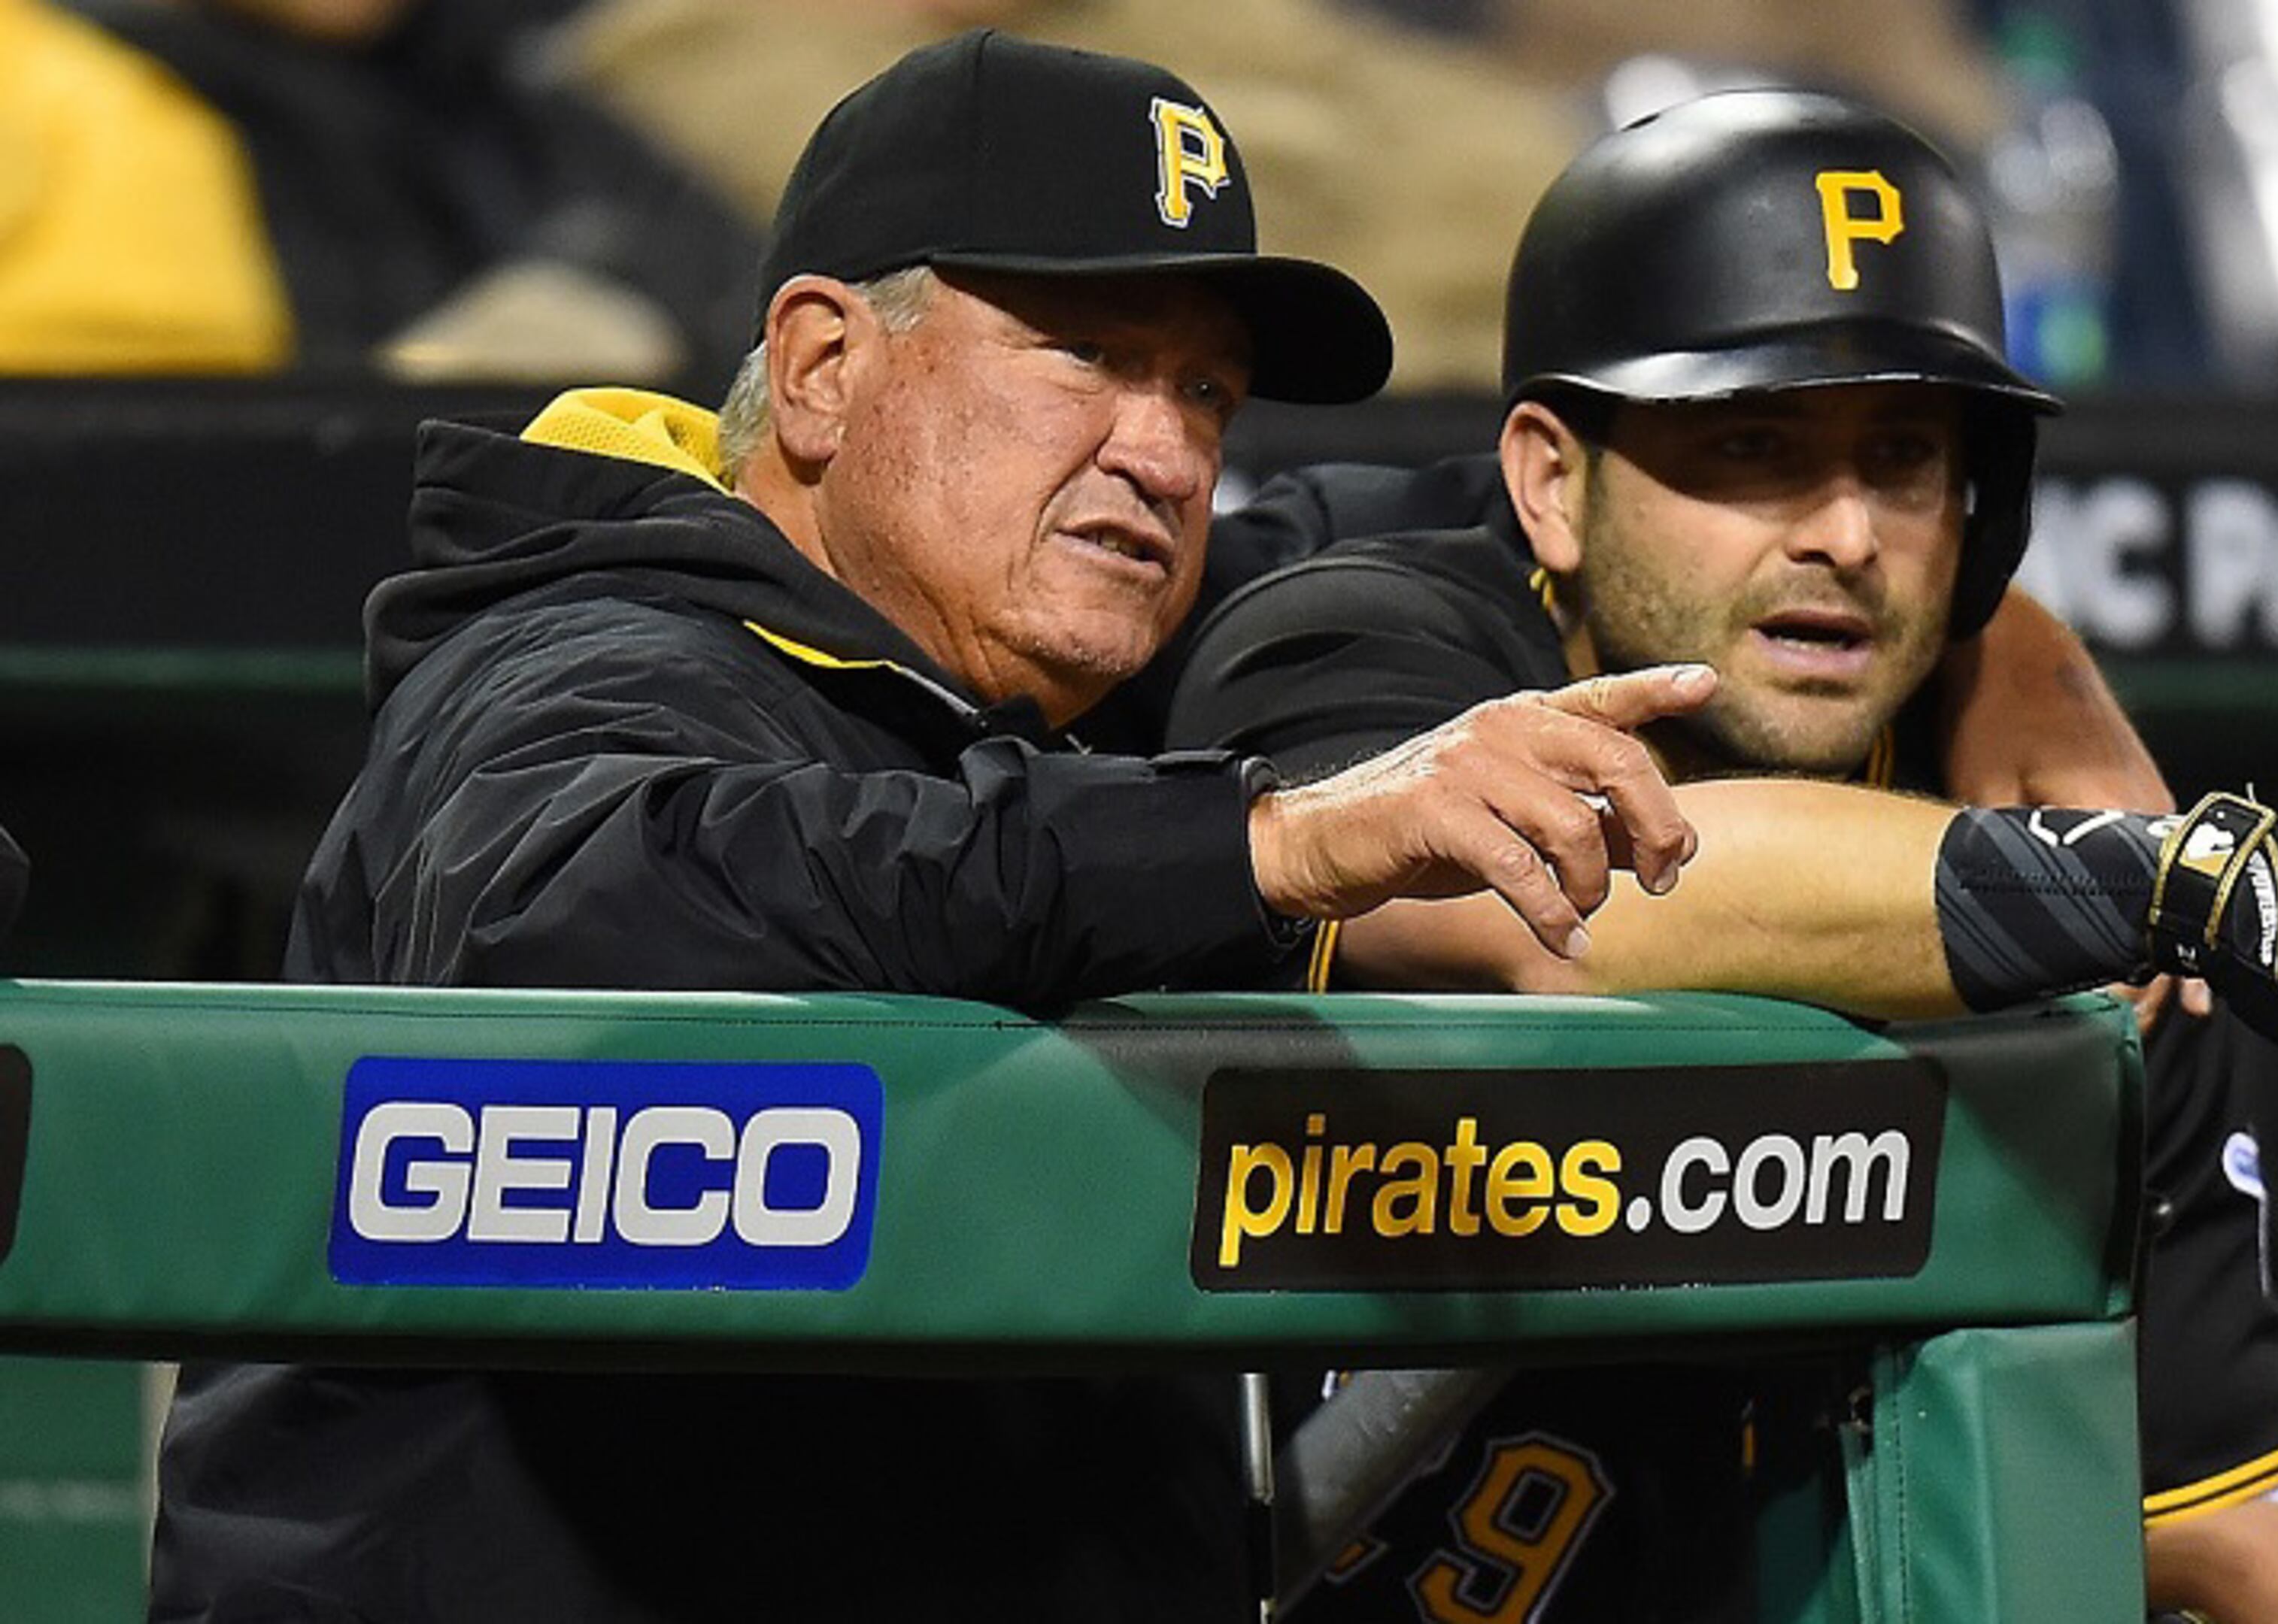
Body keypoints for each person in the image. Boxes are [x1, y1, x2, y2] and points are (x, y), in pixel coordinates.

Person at [145, 31, 1718, 1622]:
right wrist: (1262, 843)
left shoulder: (1037, 658)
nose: (1170, 455)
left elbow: (1360, 520)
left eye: (1206, 393)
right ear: (825, 369)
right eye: (1088, 357)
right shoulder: (590, 659)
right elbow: (593, 908)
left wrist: (1930, 604)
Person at [1168, 89, 2278, 1622]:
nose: (1845, 530)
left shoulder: (2081, 896)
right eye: (1753, 445)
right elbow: (1555, 905)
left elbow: (2250, 1565)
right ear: (1554, 483)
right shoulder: (1357, 646)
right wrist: (2154, 884)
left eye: (1902, 459)